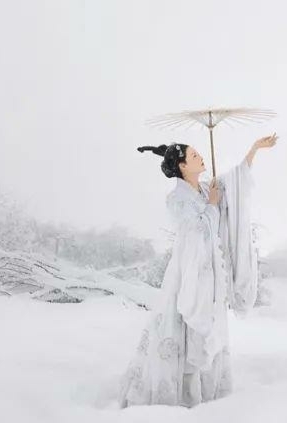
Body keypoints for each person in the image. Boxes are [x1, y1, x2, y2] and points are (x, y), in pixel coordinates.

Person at [117, 134, 278, 408]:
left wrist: (254, 150)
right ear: (181, 166)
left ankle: (205, 393)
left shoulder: (206, 189)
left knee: (208, 330)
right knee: (179, 325)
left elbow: (235, 182)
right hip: (188, 275)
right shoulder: (176, 200)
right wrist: (213, 205)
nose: (201, 157)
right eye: (193, 156)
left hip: (210, 277)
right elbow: (197, 231)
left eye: (199, 153)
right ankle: (179, 394)